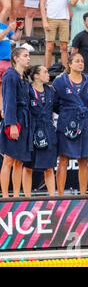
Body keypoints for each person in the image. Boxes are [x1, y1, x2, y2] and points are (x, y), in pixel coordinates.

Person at [53, 53, 88, 196]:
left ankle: (83, 195)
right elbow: (54, 103)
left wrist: (82, 115)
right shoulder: (59, 82)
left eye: (82, 61)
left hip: (84, 122)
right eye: (77, 61)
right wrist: (67, 115)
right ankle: (60, 195)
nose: (80, 63)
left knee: (83, 159)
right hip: (66, 123)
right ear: (69, 64)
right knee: (63, 159)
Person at [0, 48, 32, 198]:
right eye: (25, 56)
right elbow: (9, 101)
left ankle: (17, 195)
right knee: (8, 159)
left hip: (24, 120)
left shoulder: (22, 77)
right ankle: (6, 196)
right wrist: (11, 123)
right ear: (16, 58)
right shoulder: (10, 75)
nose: (28, 58)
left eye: (29, 55)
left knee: (19, 161)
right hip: (15, 120)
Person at [22, 65, 56, 197]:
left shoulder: (51, 90)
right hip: (31, 130)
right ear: (36, 75)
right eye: (46, 72)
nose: (48, 74)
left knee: (49, 167)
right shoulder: (27, 90)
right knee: (28, 166)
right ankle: (27, 197)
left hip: (48, 130)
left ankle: (53, 197)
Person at [40, 0, 72, 68]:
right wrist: (44, 20)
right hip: (51, 18)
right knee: (49, 47)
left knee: (64, 47)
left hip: (64, 18)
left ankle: (65, 73)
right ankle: (46, 71)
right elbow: (42, 3)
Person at [0, 21, 23, 110]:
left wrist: (20, 28)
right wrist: (8, 29)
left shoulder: (3, 25)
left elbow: (15, 37)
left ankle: (3, 111)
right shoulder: (6, 27)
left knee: (5, 88)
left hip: (8, 61)